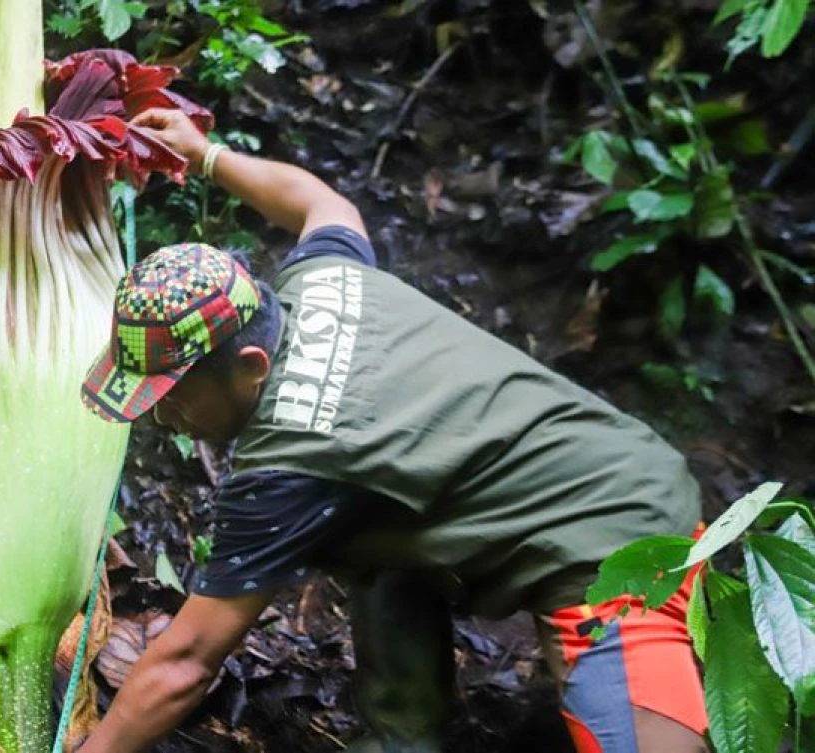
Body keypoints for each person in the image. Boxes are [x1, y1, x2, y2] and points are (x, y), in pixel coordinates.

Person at [77, 107, 708, 753]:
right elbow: (320, 201)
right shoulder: (322, 279)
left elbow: (186, 661)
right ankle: (405, 737)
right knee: (367, 528)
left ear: (250, 366)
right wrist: (206, 153)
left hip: (622, 539)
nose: (161, 416)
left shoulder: (289, 462)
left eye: (175, 395)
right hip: (601, 463)